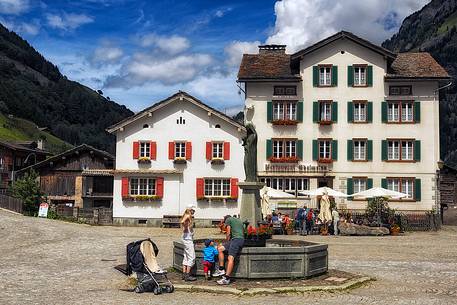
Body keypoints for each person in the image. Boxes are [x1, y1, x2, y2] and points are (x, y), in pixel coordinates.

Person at [214, 215, 245, 285]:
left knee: (230, 258)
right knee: (220, 249)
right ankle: (221, 269)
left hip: (236, 240)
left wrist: (226, 242)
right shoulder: (239, 220)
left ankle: (227, 278)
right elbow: (243, 231)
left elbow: (228, 233)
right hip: (239, 240)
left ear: (225, 220)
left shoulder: (228, 220)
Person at [180, 205, 196, 281]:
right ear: (190, 210)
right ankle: (187, 275)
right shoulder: (188, 215)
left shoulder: (187, 215)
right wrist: (185, 227)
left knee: (186, 256)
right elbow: (182, 222)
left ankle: (184, 273)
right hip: (188, 239)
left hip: (185, 238)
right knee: (191, 257)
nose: (194, 212)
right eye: (193, 210)